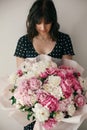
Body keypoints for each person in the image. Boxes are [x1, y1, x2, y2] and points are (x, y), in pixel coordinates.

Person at [14, 0, 75, 129]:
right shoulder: (24, 41)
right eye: (38, 22)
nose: (42, 27)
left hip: (58, 109)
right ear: (32, 20)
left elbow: (70, 77)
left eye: (47, 22)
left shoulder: (64, 40)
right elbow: (20, 79)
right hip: (32, 109)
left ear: (53, 20)